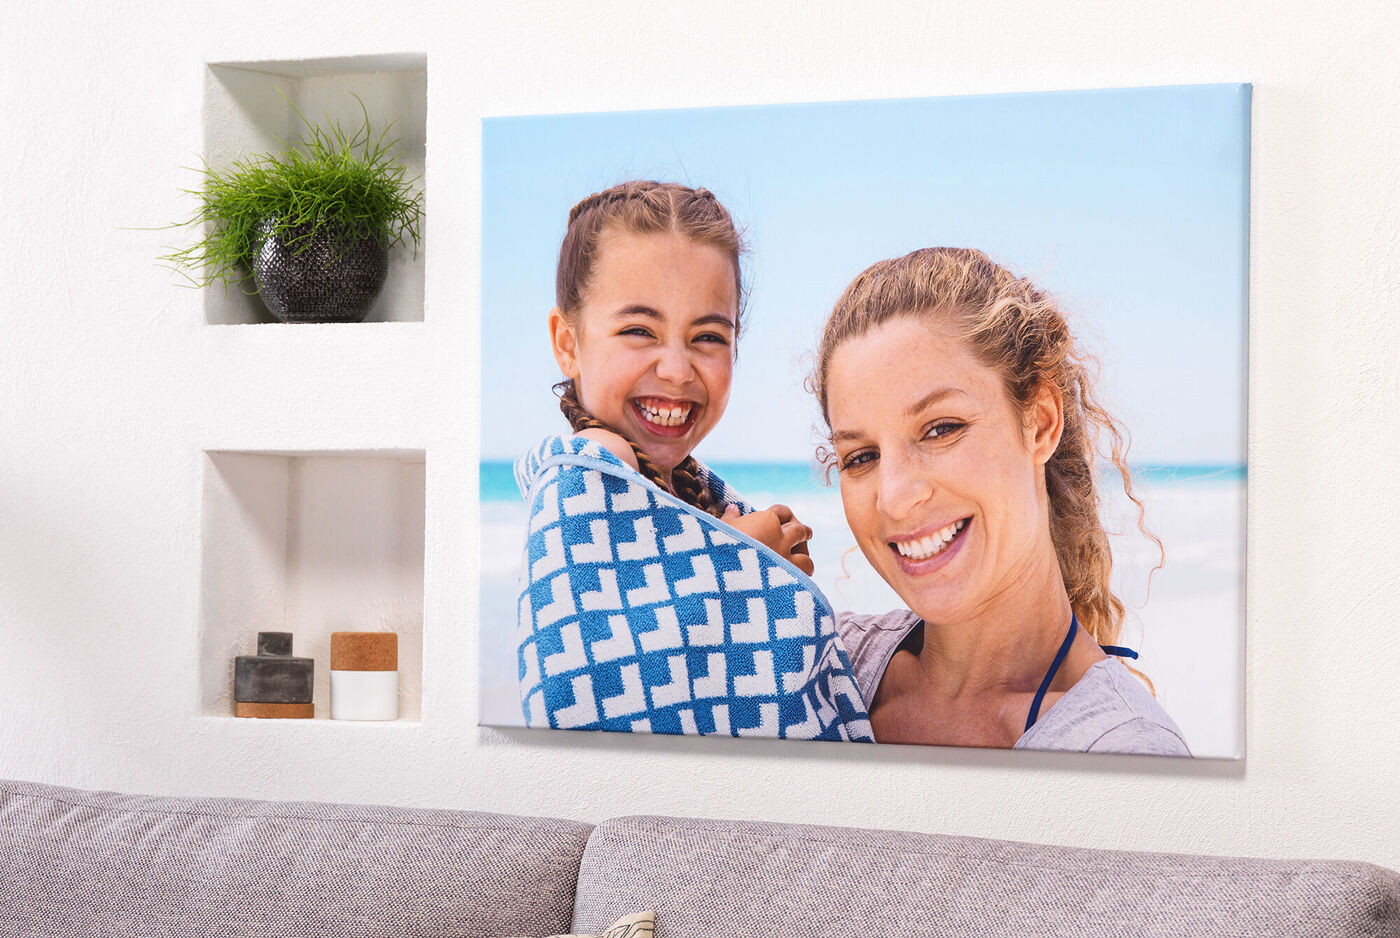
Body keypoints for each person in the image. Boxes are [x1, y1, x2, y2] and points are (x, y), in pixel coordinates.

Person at [513, 181, 870, 741]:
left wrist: (751, 555)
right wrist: (745, 557)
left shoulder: (689, 488)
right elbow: (586, 682)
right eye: (639, 331)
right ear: (568, 342)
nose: (677, 370)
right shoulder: (589, 470)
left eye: (707, 336)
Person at [814, 247, 1190, 755]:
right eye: (861, 457)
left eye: (941, 429)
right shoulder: (819, 669)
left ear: (1040, 422)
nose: (895, 498)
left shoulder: (1120, 750)